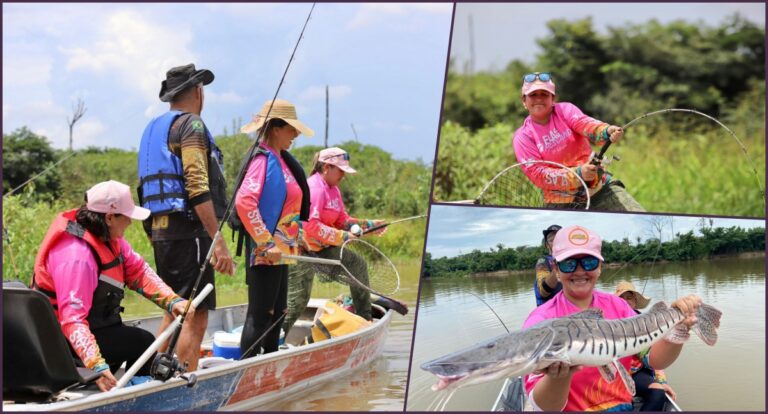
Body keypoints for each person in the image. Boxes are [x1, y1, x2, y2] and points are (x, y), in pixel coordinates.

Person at [31, 180, 190, 392]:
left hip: (93, 326)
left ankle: (134, 387)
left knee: (137, 341)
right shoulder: (77, 257)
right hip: (60, 340)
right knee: (141, 342)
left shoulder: (108, 237)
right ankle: (134, 393)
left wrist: (172, 301)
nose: (130, 223)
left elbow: (138, 271)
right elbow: (73, 320)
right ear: (109, 217)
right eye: (127, 217)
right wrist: (95, 364)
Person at [522, 225, 701, 411]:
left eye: (589, 262)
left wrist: (678, 332)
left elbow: (654, 360)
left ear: (600, 267)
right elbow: (544, 407)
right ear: (556, 269)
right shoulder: (540, 320)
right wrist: (558, 376)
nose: (580, 271)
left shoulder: (619, 306)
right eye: (569, 263)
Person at [137, 63, 235, 372]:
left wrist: (153, 233)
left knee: (174, 308)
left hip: (163, 232)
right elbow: (196, 185)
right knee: (195, 312)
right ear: (198, 91)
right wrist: (217, 241)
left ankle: (156, 376)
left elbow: (144, 187)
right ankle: (184, 380)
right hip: (189, 231)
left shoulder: (153, 128)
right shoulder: (191, 126)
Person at [235, 98, 312, 356]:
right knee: (261, 314)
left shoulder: (282, 160)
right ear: (275, 128)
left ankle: (267, 363)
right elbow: (245, 202)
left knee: (278, 313)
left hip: (283, 250)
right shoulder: (263, 160)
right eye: (292, 129)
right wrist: (265, 242)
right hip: (266, 250)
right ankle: (245, 370)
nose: (296, 134)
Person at [282, 147, 387, 336]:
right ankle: (273, 341)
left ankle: (364, 319)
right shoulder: (314, 188)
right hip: (300, 250)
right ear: (326, 167)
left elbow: (342, 221)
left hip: (321, 249)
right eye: (340, 170)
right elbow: (310, 225)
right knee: (297, 302)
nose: (343, 176)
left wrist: (369, 225)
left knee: (357, 265)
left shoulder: (334, 191)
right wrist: (343, 236)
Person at [512, 72, 645, 212]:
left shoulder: (565, 110)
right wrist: (578, 174)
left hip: (599, 189)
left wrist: (606, 131)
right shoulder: (522, 137)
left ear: (553, 98)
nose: (539, 99)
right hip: (561, 205)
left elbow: (585, 123)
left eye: (544, 94)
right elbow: (538, 174)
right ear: (524, 101)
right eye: (533, 95)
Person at [615, 281, 678, 411]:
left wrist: (661, 382)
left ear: (635, 301)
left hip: (636, 373)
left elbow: (651, 354)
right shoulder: (610, 322)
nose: (626, 301)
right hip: (616, 373)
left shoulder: (645, 322)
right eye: (621, 298)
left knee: (658, 392)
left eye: (629, 297)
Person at [534, 224, 562, 306]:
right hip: (550, 312)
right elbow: (543, 291)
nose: (556, 242)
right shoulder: (542, 262)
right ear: (546, 244)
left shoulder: (572, 258)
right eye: (551, 240)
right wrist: (558, 266)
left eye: (559, 239)